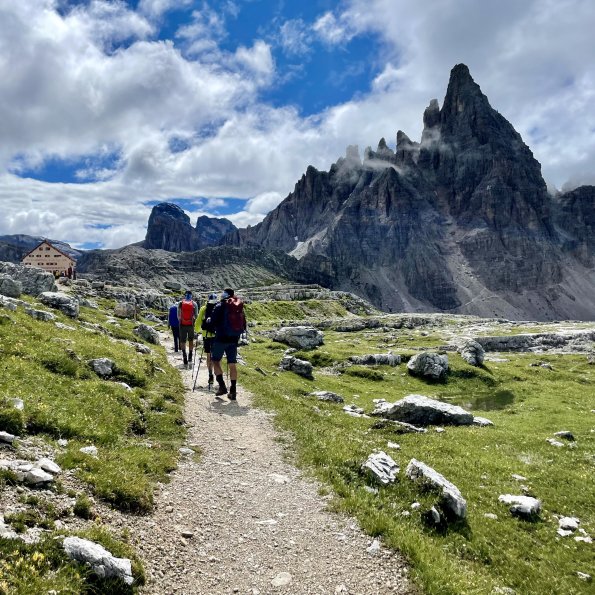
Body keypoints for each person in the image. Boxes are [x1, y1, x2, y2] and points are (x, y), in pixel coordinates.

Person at [208, 288, 246, 400]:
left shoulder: (220, 306)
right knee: (232, 363)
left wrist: (209, 321)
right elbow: (243, 323)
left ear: (225, 295)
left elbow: (212, 322)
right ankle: (233, 391)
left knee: (215, 361)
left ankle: (222, 386)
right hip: (234, 339)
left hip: (221, 338)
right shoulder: (238, 306)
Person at [196, 292, 218, 385]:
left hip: (206, 336)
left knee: (208, 355)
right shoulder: (219, 308)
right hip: (216, 336)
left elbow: (198, 322)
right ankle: (217, 374)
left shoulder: (203, 309)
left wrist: (197, 331)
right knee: (215, 357)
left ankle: (210, 375)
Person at [177, 290, 199, 368]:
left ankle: (184, 356)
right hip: (191, 325)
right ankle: (190, 355)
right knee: (190, 340)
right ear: (191, 295)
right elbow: (196, 315)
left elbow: (178, 316)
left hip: (182, 325)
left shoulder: (180, 303)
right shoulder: (194, 304)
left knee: (182, 341)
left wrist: (182, 321)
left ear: (185, 295)